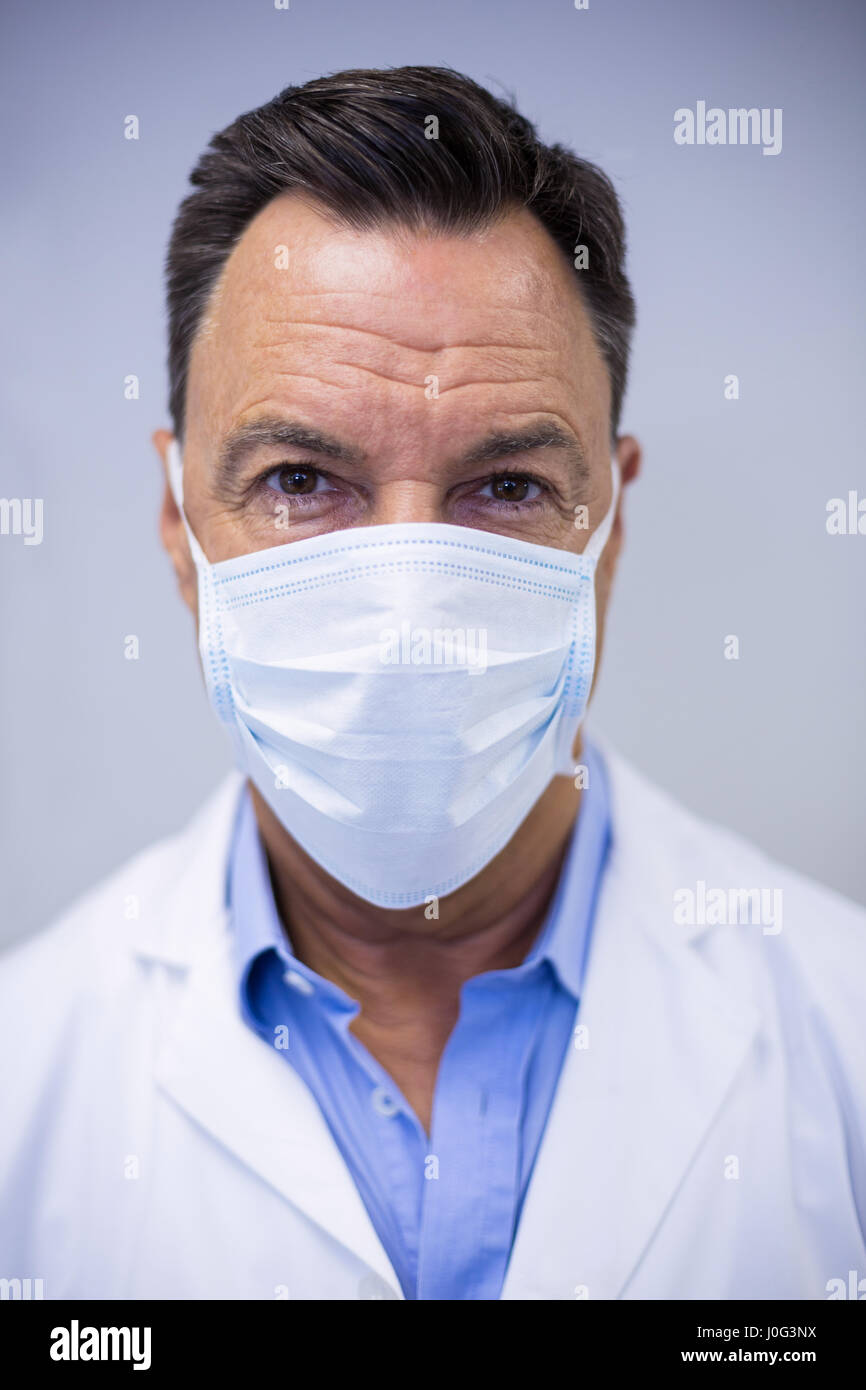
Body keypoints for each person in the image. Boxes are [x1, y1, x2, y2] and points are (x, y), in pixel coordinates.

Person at [1, 65, 864, 1302]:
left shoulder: (842, 1034)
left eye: (505, 487)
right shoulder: (22, 1080)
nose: (408, 608)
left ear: (607, 526)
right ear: (175, 513)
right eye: (300, 478)